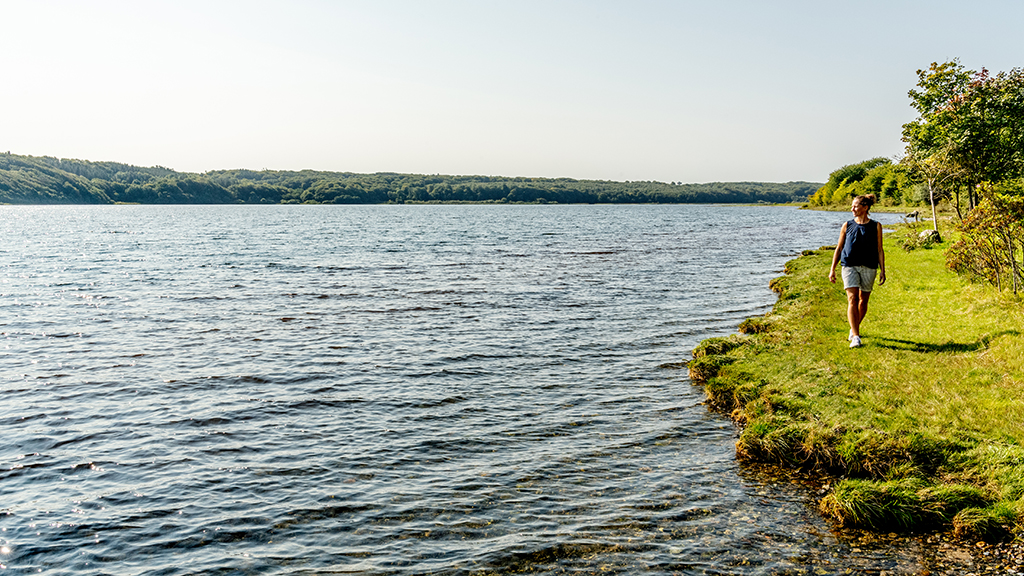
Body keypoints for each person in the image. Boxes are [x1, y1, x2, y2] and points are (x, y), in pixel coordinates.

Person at [828, 194, 886, 348]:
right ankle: (856, 336)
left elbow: (880, 249)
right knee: (852, 299)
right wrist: (832, 269)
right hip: (849, 265)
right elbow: (839, 248)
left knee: (863, 300)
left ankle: (854, 327)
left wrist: (882, 270)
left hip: (869, 266)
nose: (852, 209)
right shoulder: (847, 225)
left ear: (865, 208)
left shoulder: (876, 226)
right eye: (852, 206)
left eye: (855, 206)